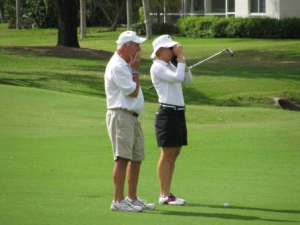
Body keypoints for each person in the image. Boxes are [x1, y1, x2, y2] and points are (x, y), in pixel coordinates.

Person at [105, 31, 155, 212]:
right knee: (122, 158)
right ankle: (118, 201)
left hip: (132, 117)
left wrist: (133, 67)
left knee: (136, 158)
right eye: (136, 45)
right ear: (126, 46)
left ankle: (131, 198)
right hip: (120, 115)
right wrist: (135, 69)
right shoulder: (117, 65)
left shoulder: (125, 64)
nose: (140, 48)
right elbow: (132, 92)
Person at [150, 35, 193, 205]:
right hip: (167, 113)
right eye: (170, 48)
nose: (173, 50)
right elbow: (177, 77)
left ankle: (167, 193)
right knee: (167, 154)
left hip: (178, 113)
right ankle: (164, 195)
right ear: (160, 51)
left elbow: (188, 79)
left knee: (175, 153)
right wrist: (180, 59)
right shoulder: (157, 67)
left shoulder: (172, 65)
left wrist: (180, 60)